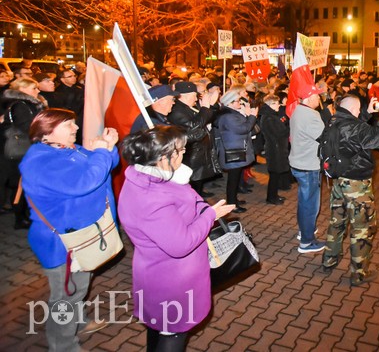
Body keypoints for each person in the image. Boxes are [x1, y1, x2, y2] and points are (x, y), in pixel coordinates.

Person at [118, 126, 235, 352]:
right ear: (163, 158)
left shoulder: (147, 177)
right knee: (173, 333)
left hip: (158, 269)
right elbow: (181, 244)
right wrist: (211, 215)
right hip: (172, 278)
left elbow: (189, 197)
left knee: (159, 327)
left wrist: (203, 208)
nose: (184, 154)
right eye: (181, 150)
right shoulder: (152, 197)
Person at [21, 109, 119, 351]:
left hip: (81, 237)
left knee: (79, 287)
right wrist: (101, 152)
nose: (76, 128)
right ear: (46, 132)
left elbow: (106, 165)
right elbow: (85, 182)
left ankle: (79, 322)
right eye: (68, 125)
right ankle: (63, 345)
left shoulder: (66, 150)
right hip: (62, 243)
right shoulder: (40, 161)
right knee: (64, 297)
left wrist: (108, 147)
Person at [321, 95, 379, 286]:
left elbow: (352, 133)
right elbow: (377, 139)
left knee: (337, 222)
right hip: (356, 185)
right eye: (359, 109)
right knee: (362, 227)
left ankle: (329, 260)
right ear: (354, 110)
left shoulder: (334, 121)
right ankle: (359, 273)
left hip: (338, 182)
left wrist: (366, 112)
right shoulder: (353, 126)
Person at [1, 77, 46, 229]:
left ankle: (25, 214)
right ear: (22, 90)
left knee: (26, 183)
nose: (38, 91)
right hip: (22, 150)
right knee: (21, 184)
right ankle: (20, 218)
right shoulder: (20, 105)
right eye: (34, 88)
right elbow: (27, 127)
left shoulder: (31, 104)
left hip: (29, 148)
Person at [288, 83, 326, 253]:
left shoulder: (298, 110)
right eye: (317, 95)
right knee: (310, 204)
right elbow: (324, 137)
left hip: (299, 162)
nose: (319, 98)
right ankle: (307, 242)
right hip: (308, 165)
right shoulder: (311, 115)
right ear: (310, 98)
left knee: (304, 201)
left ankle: (305, 231)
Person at [167, 81, 220, 198]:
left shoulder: (189, 106)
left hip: (198, 154)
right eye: (195, 95)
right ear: (185, 96)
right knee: (191, 188)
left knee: (198, 187)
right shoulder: (177, 111)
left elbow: (208, 117)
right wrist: (205, 107)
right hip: (190, 156)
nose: (197, 98)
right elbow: (195, 125)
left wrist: (211, 105)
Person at [214, 87, 258, 214]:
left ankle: (234, 200)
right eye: (238, 101)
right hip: (233, 152)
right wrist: (252, 116)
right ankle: (232, 203)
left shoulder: (231, 113)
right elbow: (244, 128)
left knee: (236, 178)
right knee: (233, 180)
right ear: (230, 103)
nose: (240, 103)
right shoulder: (228, 116)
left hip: (236, 150)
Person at [259, 95, 289, 205]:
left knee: (275, 174)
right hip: (274, 149)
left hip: (276, 147)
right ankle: (271, 197)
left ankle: (274, 195)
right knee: (274, 174)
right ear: (270, 105)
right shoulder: (269, 118)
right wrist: (289, 128)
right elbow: (279, 133)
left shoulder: (271, 116)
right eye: (276, 103)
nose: (279, 105)